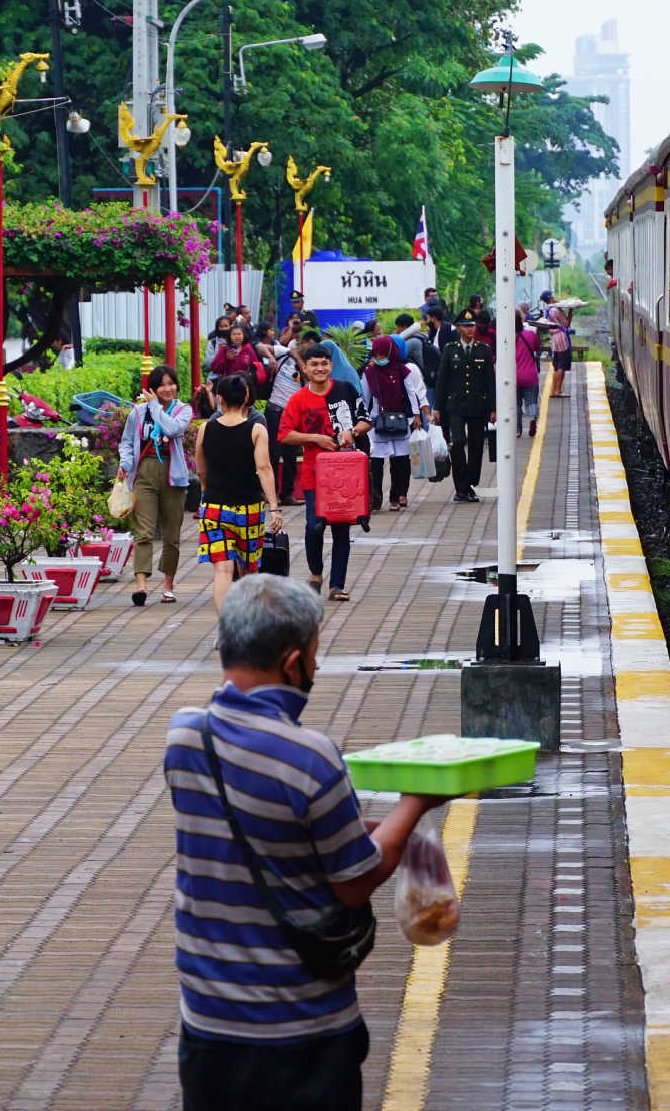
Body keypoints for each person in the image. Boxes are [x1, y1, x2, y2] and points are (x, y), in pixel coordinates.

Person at [165, 575, 449, 1111]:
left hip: (208, 1023)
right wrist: (415, 803)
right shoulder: (311, 757)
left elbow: (255, 831)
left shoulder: (185, 737)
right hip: (301, 1030)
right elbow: (354, 882)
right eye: (316, 653)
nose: (316, 667)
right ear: (293, 661)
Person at [278, 344, 372, 601]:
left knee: (342, 528)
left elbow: (366, 419)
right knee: (314, 526)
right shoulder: (298, 399)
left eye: (324, 364)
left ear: (331, 365)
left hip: (346, 471)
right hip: (313, 472)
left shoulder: (345, 389)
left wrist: (352, 432)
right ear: (305, 369)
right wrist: (316, 438)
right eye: (314, 365)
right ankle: (316, 572)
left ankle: (337, 585)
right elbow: (284, 434)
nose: (320, 369)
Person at [195, 376, 283, 612]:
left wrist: (205, 492)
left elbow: (201, 469)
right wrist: (274, 507)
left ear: (219, 399)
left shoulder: (206, 428)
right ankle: (248, 623)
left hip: (214, 508)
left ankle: (227, 627)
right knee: (249, 567)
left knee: (222, 569)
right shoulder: (257, 430)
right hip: (249, 509)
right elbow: (264, 469)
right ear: (246, 398)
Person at [117, 364, 192, 606]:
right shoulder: (138, 413)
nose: (168, 389)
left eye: (171, 383)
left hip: (173, 475)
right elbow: (127, 442)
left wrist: (154, 407)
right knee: (144, 531)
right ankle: (141, 585)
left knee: (172, 534)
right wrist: (126, 464)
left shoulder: (183, 410)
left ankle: (168, 584)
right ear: (153, 388)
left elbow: (173, 428)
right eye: (162, 385)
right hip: (145, 473)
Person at [432, 308, 495, 502]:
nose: (470, 329)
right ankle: (461, 487)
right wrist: (437, 408)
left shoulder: (483, 349)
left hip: (478, 405)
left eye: (472, 326)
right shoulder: (450, 349)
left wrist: (493, 408)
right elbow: (442, 380)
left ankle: (470, 483)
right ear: (458, 328)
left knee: (476, 447)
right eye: (466, 326)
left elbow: (490, 381)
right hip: (455, 406)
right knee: (457, 443)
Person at [361, 335, 429, 511]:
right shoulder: (369, 373)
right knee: (375, 461)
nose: (379, 359)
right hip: (377, 421)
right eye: (376, 355)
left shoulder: (402, 370)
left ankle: (396, 496)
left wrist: (416, 415)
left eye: (383, 355)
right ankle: (375, 498)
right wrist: (363, 418)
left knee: (400, 461)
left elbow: (411, 392)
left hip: (400, 420)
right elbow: (364, 397)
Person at [264, 346, 305, 505]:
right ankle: (271, 493)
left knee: (290, 455)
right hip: (274, 411)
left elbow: (307, 374)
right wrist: (271, 357)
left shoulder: (308, 365)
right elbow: (260, 346)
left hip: (292, 414)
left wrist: (298, 358)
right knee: (272, 454)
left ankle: (287, 494)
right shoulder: (284, 353)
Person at [540, 292, 572, 398]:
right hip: (562, 339)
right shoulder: (555, 310)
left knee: (557, 365)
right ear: (550, 298)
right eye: (553, 297)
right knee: (561, 366)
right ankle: (557, 391)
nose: (555, 298)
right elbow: (566, 324)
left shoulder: (547, 310)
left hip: (554, 339)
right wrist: (571, 311)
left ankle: (554, 390)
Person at [515, 306, 540, 437]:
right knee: (531, 401)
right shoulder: (530, 334)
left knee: (516, 404)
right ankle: (532, 418)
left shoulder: (506, 339)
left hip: (513, 377)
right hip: (530, 375)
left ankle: (518, 430)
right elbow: (537, 347)